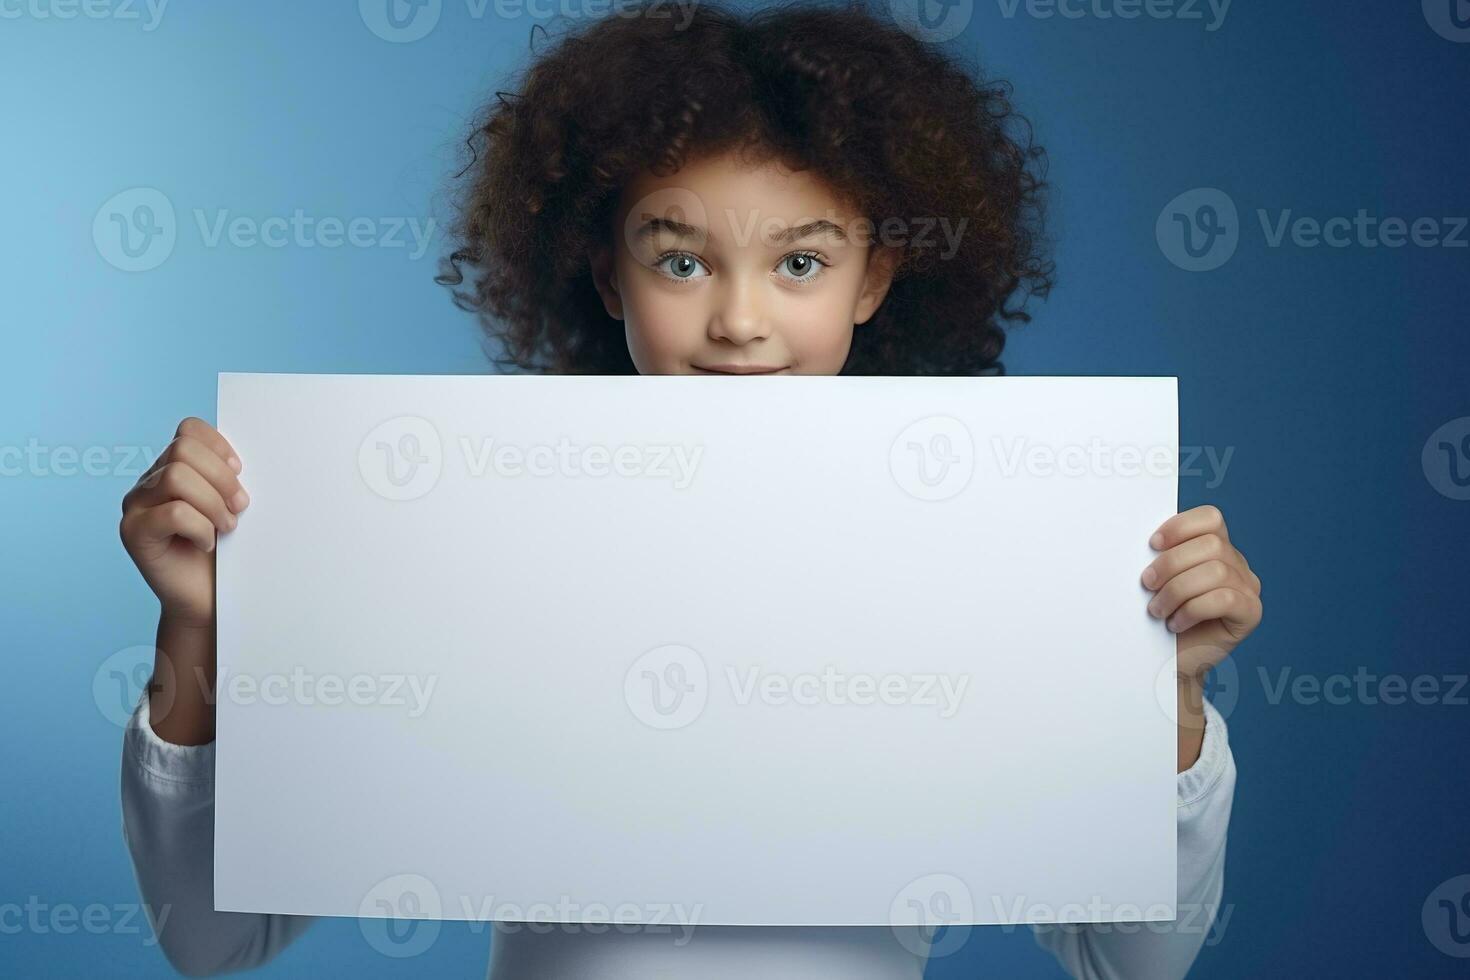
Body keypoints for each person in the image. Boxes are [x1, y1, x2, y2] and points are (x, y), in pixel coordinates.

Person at [119, 4, 1259, 977]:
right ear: (605, 271)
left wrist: (1164, 692)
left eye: (800, 262)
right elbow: (214, 934)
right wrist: (204, 628)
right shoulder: (462, 535)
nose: (739, 320)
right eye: (680, 259)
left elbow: (1130, 957)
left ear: (878, 278)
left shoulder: (985, 549)